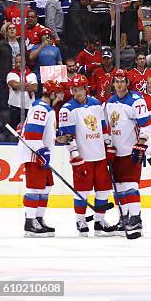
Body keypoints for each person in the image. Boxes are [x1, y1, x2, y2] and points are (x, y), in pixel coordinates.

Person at [58, 75, 116, 237]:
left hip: (99, 155)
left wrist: (108, 144)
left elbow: (103, 127)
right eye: (74, 90)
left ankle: (99, 221)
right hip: (83, 158)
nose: (77, 93)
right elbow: (67, 136)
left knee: (103, 190)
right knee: (82, 191)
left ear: (86, 88)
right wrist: (75, 156)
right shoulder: (67, 109)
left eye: (80, 89)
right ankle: (80, 220)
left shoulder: (96, 104)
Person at [104, 69, 151, 238]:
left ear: (127, 83)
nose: (119, 84)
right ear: (113, 83)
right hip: (116, 153)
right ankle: (123, 218)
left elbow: (148, 124)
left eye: (122, 81)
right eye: (116, 81)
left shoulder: (136, 100)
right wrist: (108, 145)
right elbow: (107, 128)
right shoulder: (109, 102)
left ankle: (135, 217)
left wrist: (141, 143)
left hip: (131, 150)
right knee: (118, 187)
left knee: (130, 186)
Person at [19, 80, 64, 237]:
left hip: (42, 153)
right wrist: (41, 151)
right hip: (35, 155)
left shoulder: (45, 107)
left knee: (45, 187)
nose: (59, 97)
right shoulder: (41, 108)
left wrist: (56, 139)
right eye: (58, 94)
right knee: (34, 188)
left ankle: (38, 219)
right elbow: (32, 135)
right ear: (51, 94)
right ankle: (30, 223)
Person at [6, 54, 38, 128]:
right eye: (16, 62)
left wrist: (20, 85)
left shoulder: (32, 74)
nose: (18, 64)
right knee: (14, 129)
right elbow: (14, 85)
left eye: (20, 62)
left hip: (28, 106)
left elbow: (35, 88)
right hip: (15, 106)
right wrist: (27, 84)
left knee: (27, 128)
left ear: (25, 62)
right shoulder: (11, 74)